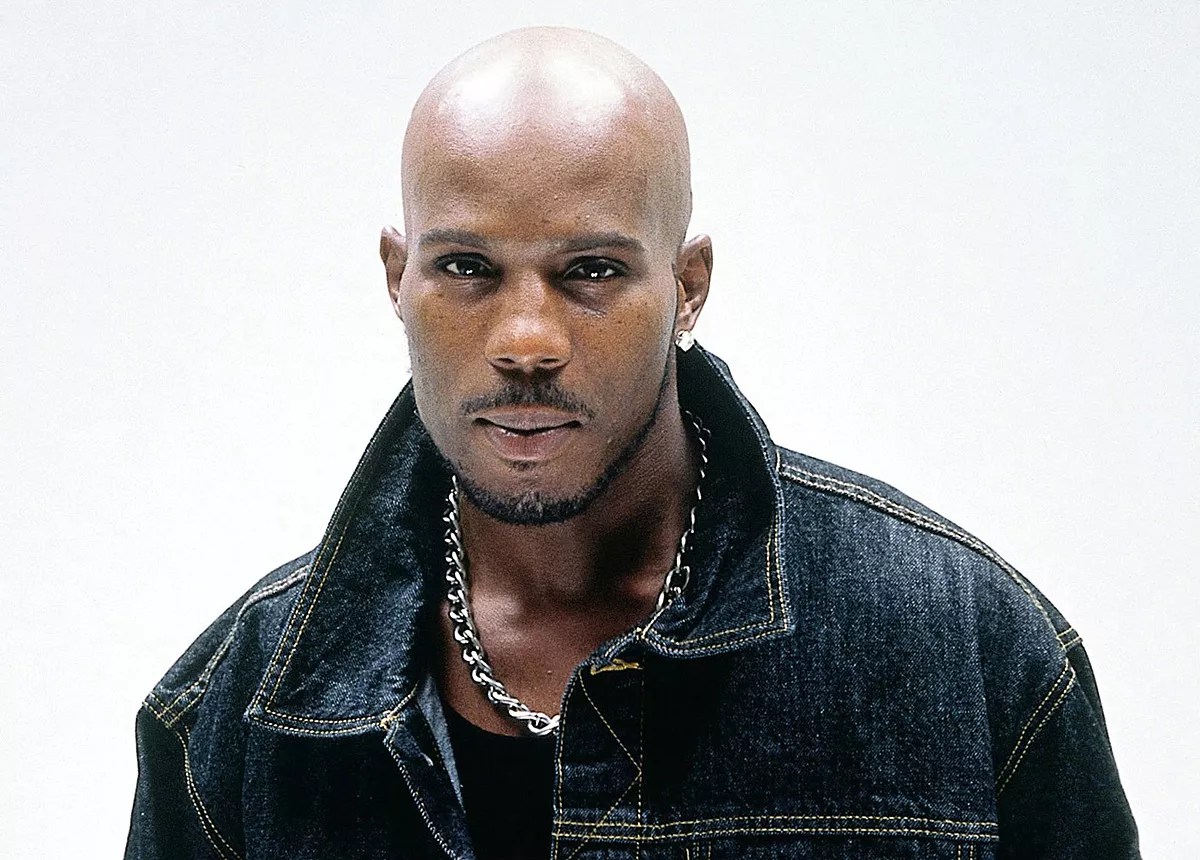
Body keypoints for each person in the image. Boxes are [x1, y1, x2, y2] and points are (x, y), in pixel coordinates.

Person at [124, 27, 1139, 860]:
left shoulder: (968, 650)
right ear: (399, 278)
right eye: (468, 267)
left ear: (688, 285)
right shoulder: (233, 713)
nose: (527, 341)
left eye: (593, 271)